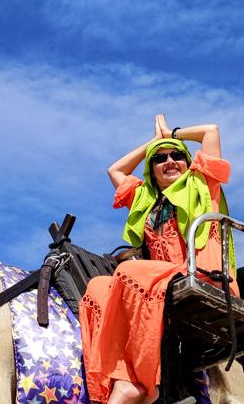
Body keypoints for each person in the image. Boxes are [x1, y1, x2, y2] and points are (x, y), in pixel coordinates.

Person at [79, 114, 235, 404]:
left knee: (129, 271)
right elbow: (115, 170)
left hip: (202, 276)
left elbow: (210, 131)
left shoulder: (202, 185)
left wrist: (172, 133)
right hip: (161, 279)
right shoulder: (145, 199)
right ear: (152, 169)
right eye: (159, 158)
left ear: (189, 163)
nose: (170, 161)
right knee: (99, 287)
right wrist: (152, 143)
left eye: (177, 155)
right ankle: (114, 385)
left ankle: (142, 384)